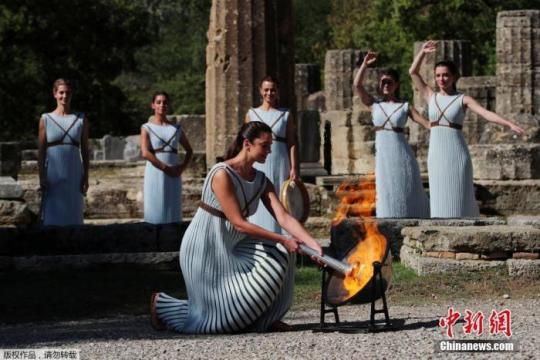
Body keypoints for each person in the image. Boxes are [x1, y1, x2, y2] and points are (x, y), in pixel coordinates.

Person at [151, 121, 323, 334]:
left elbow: (284, 217)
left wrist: (313, 244)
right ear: (247, 144)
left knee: (282, 254)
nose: (269, 151)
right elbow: (238, 223)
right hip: (205, 247)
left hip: (233, 246)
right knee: (218, 322)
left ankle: (267, 319)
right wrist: (283, 239)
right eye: (264, 145)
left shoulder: (261, 180)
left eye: (270, 146)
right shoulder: (222, 173)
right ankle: (162, 304)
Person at [409, 41, 525, 218]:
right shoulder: (430, 96)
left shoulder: (463, 99)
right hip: (436, 152)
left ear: (454, 77)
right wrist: (423, 53)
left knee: (460, 192)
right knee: (439, 193)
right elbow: (413, 72)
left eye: (446, 75)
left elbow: (486, 113)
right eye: (438, 76)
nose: (441, 79)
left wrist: (508, 124)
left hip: (456, 151)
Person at [353, 51, 430, 218]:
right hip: (384, 155)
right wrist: (365, 65)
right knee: (385, 190)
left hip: (402, 153)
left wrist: (444, 128)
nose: (386, 85)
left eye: (389, 82)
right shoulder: (374, 105)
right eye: (383, 82)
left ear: (396, 85)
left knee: (407, 187)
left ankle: (413, 219)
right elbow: (357, 86)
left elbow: (425, 123)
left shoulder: (405, 106)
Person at [244, 76, 298, 233]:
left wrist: (293, 167)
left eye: (273, 89)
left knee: (282, 198)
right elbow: (246, 143)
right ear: (260, 91)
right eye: (266, 90)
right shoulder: (252, 114)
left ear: (277, 91)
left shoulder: (285, 114)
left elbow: (292, 142)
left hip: (281, 160)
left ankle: (284, 238)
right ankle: (261, 234)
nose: (269, 93)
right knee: (259, 195)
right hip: (259, 162)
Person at [38, 79, 89, 225]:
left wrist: (86, 177)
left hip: (74, 173)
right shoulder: (45, 119)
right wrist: (41, 177)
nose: (64, 96)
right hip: (53, 175)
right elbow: (41, 152)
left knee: (74, 214)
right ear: (55, 94)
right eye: (61, 92)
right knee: (53, 215)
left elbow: (85, 150)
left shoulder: (81, 119)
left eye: (68, 93)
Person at [140, 91, 193, 224]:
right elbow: (145, 152)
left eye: (165, 102)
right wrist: (165, 168)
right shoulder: (147, 127)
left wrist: (181, 168)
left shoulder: (176, 128)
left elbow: (189, 151)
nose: (162, 105)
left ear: (168, 105)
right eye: (158, 102)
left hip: (174, 173)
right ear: (153, 105)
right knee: (155, 208)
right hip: (155, 172)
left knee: (172, 208)